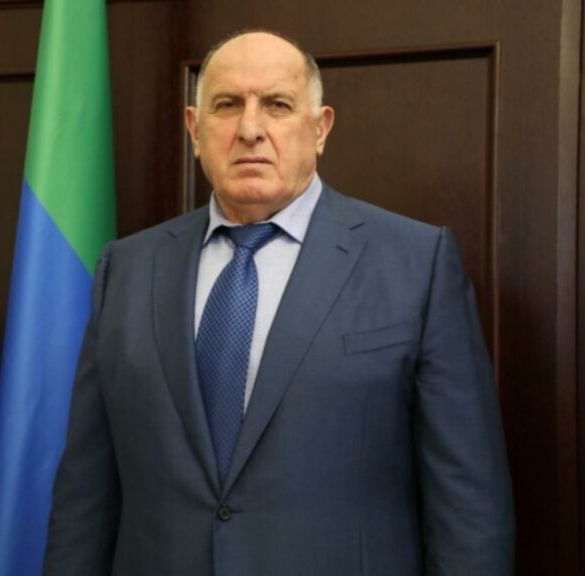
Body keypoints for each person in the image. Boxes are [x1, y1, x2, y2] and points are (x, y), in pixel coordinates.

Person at [43, 29, 514, 576]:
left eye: (277, 105)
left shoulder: (416, 264)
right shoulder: (126, 268)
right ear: (194, 129)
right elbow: (86, 497)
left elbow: (468, 507)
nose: (250, 129)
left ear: (320, 128)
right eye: (227, 105)